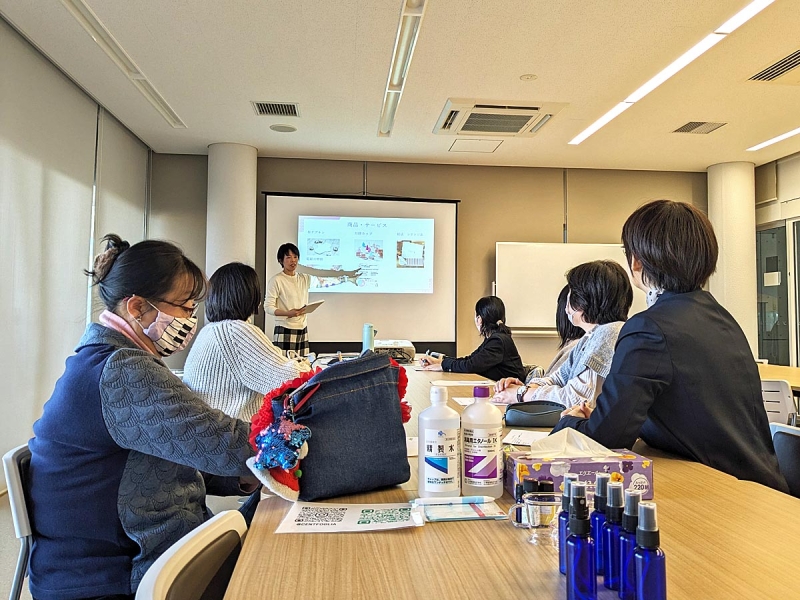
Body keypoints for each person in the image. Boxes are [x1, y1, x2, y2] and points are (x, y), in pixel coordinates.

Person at [26, 235, 258, 600]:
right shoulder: (122, 370)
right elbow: (224, 442)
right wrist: (287, 443)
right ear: (137, 307)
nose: (190, 320)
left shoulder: (109, 357)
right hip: (111, 575)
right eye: (184, 307)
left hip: (115, 557)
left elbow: (180, 449)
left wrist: (245, 477)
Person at [552, 200, 788, 492]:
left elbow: (605, 440)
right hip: (760, 485)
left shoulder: (648, 329)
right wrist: (606, 418)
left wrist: (569, 422)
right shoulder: (720, 317)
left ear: (636, 262)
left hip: (723, 492)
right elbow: (686, 412)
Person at [493, 261, 633, 408]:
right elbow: (557, 378)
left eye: (571, 292)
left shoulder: (608, 334)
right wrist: (525, 389)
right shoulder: (589, 338)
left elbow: (576, 400)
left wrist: (521, 394)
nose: (567, 301)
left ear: (584, 299)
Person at [184, 262, 312, 420]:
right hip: (233, 431)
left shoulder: (209, 330)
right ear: (250, 296)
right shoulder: (235, 332)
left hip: (211, 426)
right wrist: (306, 364)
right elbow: (293, 379)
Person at [265, 242, 361, 356]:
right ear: (281, 260)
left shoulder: (304, 278)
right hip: (285, 327)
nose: (293, 261)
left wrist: (346, 279)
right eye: (288, 257)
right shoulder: (276, 280)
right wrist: (287, 313)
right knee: (286, 362)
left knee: (303, 361)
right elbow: (268, 307)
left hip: (302, 327)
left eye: (295, 257)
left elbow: (324, 282)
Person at [419, 296, 526, 381]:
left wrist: (443, 365)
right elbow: (470, 360)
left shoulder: (497, 341)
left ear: (479, 319)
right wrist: (441, 361)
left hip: (511, 391)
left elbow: (470, 366)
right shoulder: (495, 338)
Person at [525, 284, 587, 381]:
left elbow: (553, 387)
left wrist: (523, 389)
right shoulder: (581, 345)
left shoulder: (576, 347)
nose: (567, 310)